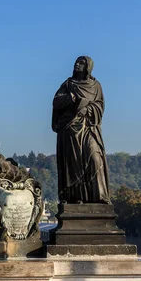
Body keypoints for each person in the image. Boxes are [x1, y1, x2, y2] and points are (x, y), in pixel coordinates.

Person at [52, 56, 110, 204]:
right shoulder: (68, 84)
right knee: (73, 165)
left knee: (95, 158)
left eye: (82, 63)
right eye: (77, 62)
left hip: (88, 128)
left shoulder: (96, 85)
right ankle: (75, 198)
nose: (78, 65)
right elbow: (56, 101)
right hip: (70, 129)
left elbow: (100, 106)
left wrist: (88, 109)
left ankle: (100, 196)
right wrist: (70, 98)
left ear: (88, 67)